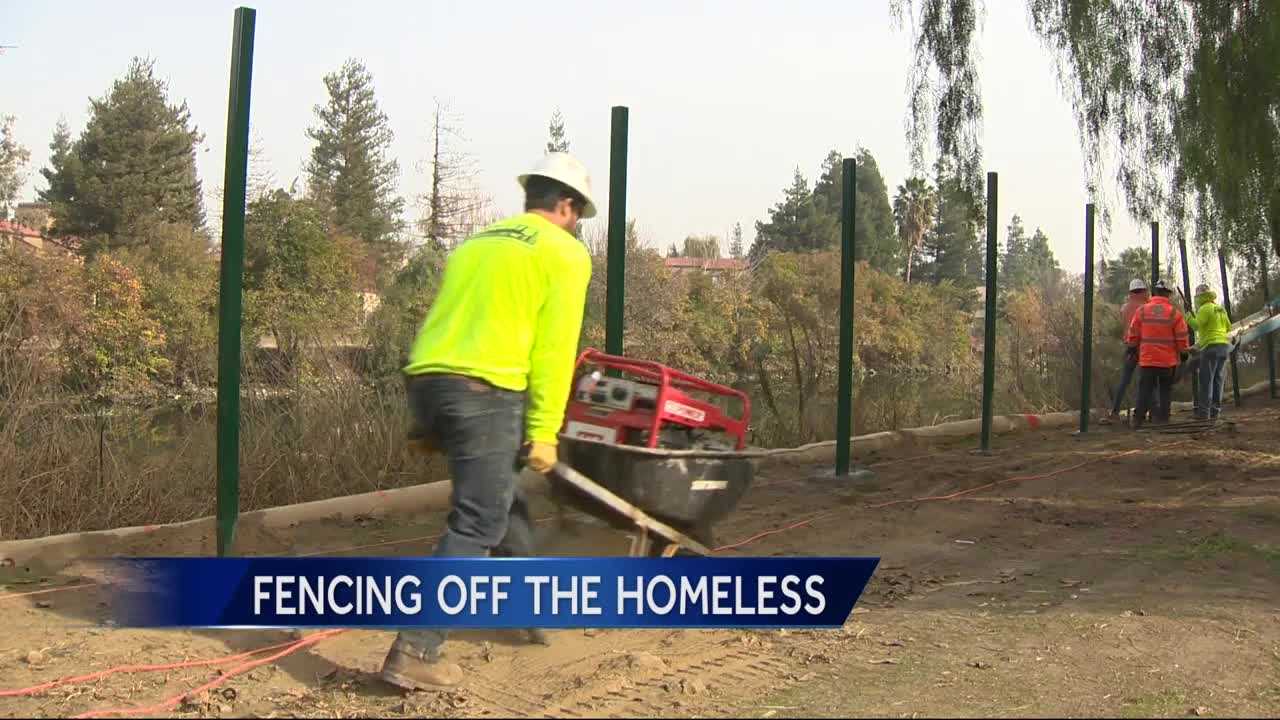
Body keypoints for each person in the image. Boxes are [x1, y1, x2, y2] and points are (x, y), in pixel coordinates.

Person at [378, 152, 596, 691]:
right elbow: (554, 348)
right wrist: (545, 431)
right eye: (579, 217)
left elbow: (452, 318)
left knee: (499, 495)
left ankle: (531, 611)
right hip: (488, 390)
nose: (578, 228)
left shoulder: (479, 241)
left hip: (429, 381)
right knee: (477, 521)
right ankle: (416, 649)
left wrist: (433, 416)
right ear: (565, 206)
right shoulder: (563, 254)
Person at [1125, 279, 1190, 428]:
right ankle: (1163, 419)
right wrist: (1184, 353)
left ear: (1155, 292)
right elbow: (1181, 336)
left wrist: (1132, 348)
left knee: (1145, 390)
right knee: (1165, 390)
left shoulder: (1142, 311)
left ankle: (1138, 420)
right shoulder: (1175, 313)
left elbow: (1133, 332)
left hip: (1147, 360)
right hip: (1167, 362)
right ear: (1168, 294)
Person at [1102, 279, 1150, 424]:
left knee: (1125, 380)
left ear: (1131, 292)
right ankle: (1144, 413)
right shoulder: (1147, 307)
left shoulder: (1125, 307)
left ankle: (1115, 411)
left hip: (1129, 347)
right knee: (1147, 380)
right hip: (1144, 347)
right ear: (1143, 291)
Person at [1186, 283, 1232, 420]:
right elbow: (1228, 327)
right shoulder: (1220, 309)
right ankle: (1215, 413)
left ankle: (1203, 415)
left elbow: (1196, 326)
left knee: (1206, 381)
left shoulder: (1204, 308)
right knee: (1218, 380)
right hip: (1224, 347)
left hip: (1210, 347)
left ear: (1199, 297)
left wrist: (1188, 317)